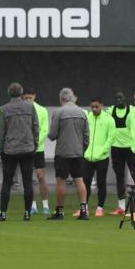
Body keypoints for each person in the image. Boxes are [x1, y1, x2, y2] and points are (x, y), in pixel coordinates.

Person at [0, 82, 39, 222]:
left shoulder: (3, 109)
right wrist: (35, 144)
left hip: (10, 149)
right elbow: (35, 127)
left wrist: (1, 149)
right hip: (27, 148)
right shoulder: (30, 107)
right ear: (21, 93)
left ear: (8, 94)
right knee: (27, 181)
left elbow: (0, 132)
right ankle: (27, 212)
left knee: (7, 182)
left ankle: (3, 213)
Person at [47, 88, 90, 221]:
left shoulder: (58, 112)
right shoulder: (82, 113)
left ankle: (59, 211)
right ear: (73, 98)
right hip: (78, 152)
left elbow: (53, 135)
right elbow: (86, 136)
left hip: (63, 153)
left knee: (61, 181)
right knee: (79, 180)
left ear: (61, 99)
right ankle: (84, 210)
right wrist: (82, 149)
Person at [82, 97, 115, 217]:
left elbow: (111, 138)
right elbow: (83, 135)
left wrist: (103, 151)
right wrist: (84, 151)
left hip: (102, 158)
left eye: (97, 106)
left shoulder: (109, 119)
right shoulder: (87, 117)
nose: (94, 109)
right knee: (85, 183)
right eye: (92, 107)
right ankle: (84, 207)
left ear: (102, 105)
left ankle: (100, 207)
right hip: (87, 157)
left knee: (101, 183)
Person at [23, 88, 50, 215]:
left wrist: (35, 144)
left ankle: (45, 204)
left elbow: (44, 130)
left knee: (40, 176)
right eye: (26, 98)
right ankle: (32, 205)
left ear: (34, 96)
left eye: (30, 97)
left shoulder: (42, 110)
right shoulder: (22, 110)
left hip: (38, 148)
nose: (28, 100)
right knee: (29, 178)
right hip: (26, 148)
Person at [107, 92, 134, 216]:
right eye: (116, 98)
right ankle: (121, 206)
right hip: (116, 148)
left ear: (125, 99)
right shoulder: (110, 111)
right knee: (119, 177)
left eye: (121, 98)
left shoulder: (132, 110)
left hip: (130, 148)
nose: (119, 100)